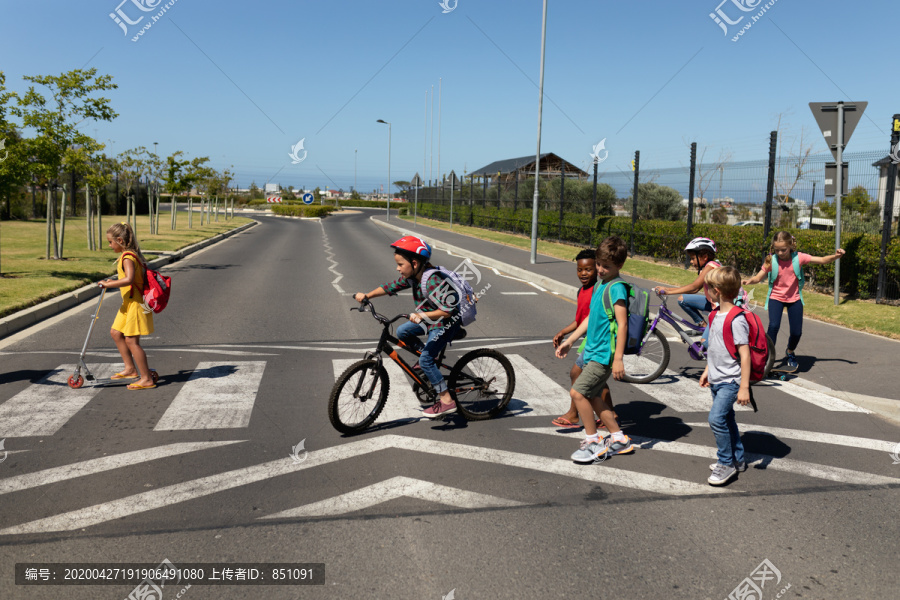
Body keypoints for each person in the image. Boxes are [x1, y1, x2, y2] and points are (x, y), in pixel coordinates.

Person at [354, 235, 462, 419]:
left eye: (400, 264)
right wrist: (367, 296)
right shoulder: (414, 277)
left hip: (445, 322)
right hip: (431, 320)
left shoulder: (433, 280)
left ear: (414, 263)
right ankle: (427, 357)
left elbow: (449, 311)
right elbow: (390, 287)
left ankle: (446, 400)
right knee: (402, 331)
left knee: (427, 360)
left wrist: (422, 315)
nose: (397, 268)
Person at [556, 236, 633, 463]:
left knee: (578, 393)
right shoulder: (601, 284)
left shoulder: (617, 288)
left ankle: (593, 441)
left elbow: (622, 324)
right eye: (598, 264)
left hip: (603, 355)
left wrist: (618, 358)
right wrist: (571, 340)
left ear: (619, 266)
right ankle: (619, 438)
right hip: (591, 351)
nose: (599, 269)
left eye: (605, 266)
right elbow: (591, 317)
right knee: (593, 397)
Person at [742, 231, 845, 370]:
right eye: (776, 250)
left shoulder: (799, 258)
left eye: (783, 250)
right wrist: (749, 281)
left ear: (791, 246)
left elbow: (821, 260)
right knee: (773, 326)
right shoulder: (771, 260)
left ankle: (790, 351)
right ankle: (765, 355)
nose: (780, 253)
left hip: (794, 298)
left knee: (797, 332)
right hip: (776, 298)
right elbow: (759, 277)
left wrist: (836, 256)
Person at [551, 249, 615, 429]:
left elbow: (593, 320)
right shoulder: (582, 291)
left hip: (599, 340)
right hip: (590, 339)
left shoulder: (598, 290)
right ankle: (611, 412)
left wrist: (570, 339)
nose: (583, 273)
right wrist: (564, 332)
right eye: (580, 270)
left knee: (578, 374)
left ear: (597, 268)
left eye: (588, 269)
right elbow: (581, 320)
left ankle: (573, 414)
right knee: (596, 380)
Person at [700, 266, 751, 486]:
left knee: (716, 419)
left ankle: (726, 463)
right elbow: (715, 348)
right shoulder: (714, 315)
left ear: (717, 290)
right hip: (717, 378)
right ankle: (737, 459)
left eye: (708, 287)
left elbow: (745, 354)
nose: (707, 290)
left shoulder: (736, 319)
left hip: (731, 381)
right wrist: (707, 371)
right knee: (727, 419)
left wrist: (744, 387)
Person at [98, 222, 156, 390]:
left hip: (136, 304)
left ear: (120, 240)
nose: (109, 245)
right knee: (116, 333)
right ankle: (130, 369)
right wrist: (112, 281)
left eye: (110, 242)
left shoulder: (128, 257)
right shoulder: (127, 255)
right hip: (128, 303)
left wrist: (108, 284)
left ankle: (146, 378)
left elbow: (129, 279)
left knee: (131, 341)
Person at [653, 237, 721, 338]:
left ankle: (709, 337)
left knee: (705, 344)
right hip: (712, 303)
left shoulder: (711, 267)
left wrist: (668, 292)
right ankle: (704, 327)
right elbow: (696, 288)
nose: (691, 261)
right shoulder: (706, 268)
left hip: (721, 308)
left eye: (693, 258)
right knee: (682, 300)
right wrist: (667, 289)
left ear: (705, 257)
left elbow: (694, 287)